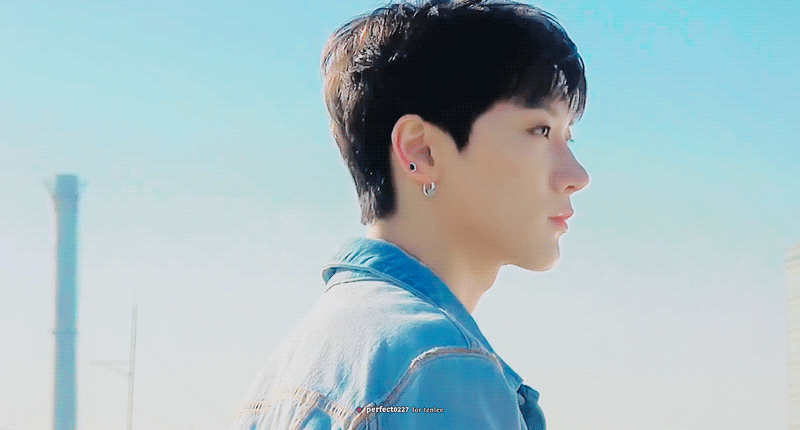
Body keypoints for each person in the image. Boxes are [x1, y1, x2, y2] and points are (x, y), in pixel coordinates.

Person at [230, 0, 589, 428]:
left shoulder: (282, 371)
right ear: (422, 150)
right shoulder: (439, 367)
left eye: (568, 137)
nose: (577, 176)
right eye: (540, 130)